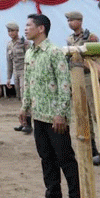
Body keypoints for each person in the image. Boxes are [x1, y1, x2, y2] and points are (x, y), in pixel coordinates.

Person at [20, 14, 80, 198]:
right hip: (39, 115)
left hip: (55, 117)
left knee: (65, 158)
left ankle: (75, 194)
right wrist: (24, 107)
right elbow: (28, 82)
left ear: (41, 29)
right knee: (46, 158)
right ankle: (53, 193)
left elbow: (64, 83)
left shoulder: (54, 52)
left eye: (29, 25)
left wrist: (60, 113)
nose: (25, 28)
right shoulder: (30, 52)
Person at [65, 11, 100, 165]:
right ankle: (92, 150)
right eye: (68, 20)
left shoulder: (91, 38)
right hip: (76, 78)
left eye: (72, 20)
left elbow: (96, 60)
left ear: (80, 21)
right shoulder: (70, 39)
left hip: (89, 77)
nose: (70, 23)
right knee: (83, 115)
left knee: (96, 113)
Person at [6, 21, 32, 134]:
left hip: (25, 72)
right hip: (16, 73)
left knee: (25, 97)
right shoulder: (9, 45)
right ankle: (23, 123)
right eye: (9, 31)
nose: (11, 33)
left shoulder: (24, 43)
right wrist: (8, 78)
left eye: (12, 31)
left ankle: (29, 124)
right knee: (20, 97)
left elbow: (31, 59)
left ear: (17, 31)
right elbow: (9, 63)